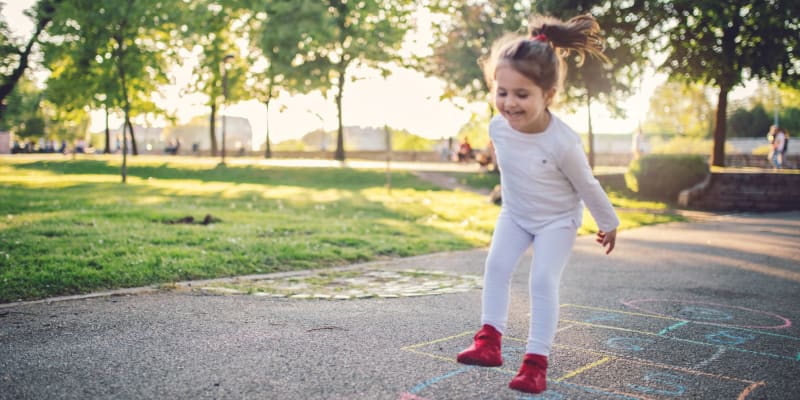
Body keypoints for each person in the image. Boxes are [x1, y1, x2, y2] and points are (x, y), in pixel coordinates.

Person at [455, 14, 619, 395]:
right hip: (516, 213)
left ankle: (534, 364)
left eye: (522, 95)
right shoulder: (498, 127)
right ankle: (489, 344)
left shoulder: (563, 142)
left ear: (549, 95)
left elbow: (587, 184)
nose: (509, 104)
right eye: (502, 92)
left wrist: (608, 221)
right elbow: (515, 169)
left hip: (557, 221)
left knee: (542, 280)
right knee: (495, 266)